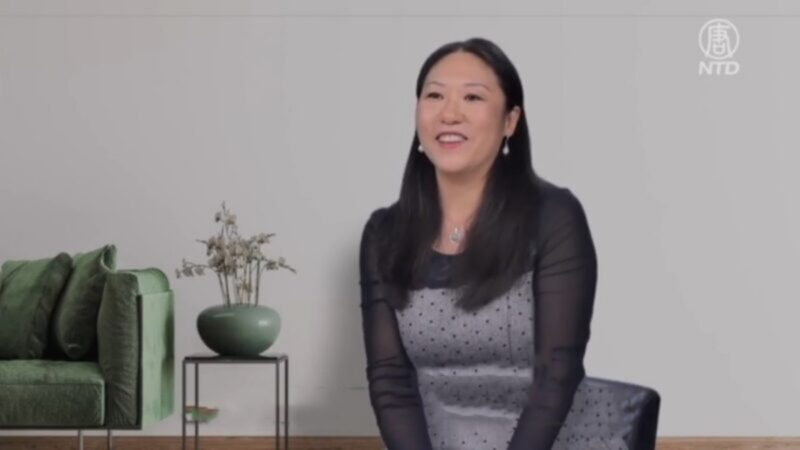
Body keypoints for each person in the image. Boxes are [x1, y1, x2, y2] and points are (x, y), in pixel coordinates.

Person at [359, 37, 597, 450]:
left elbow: (557, 374)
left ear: (510, 120)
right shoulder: (384, 233)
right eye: (434, 96)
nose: (449, 113)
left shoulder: (555, 216)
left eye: (472, 97)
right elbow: (390, 380)